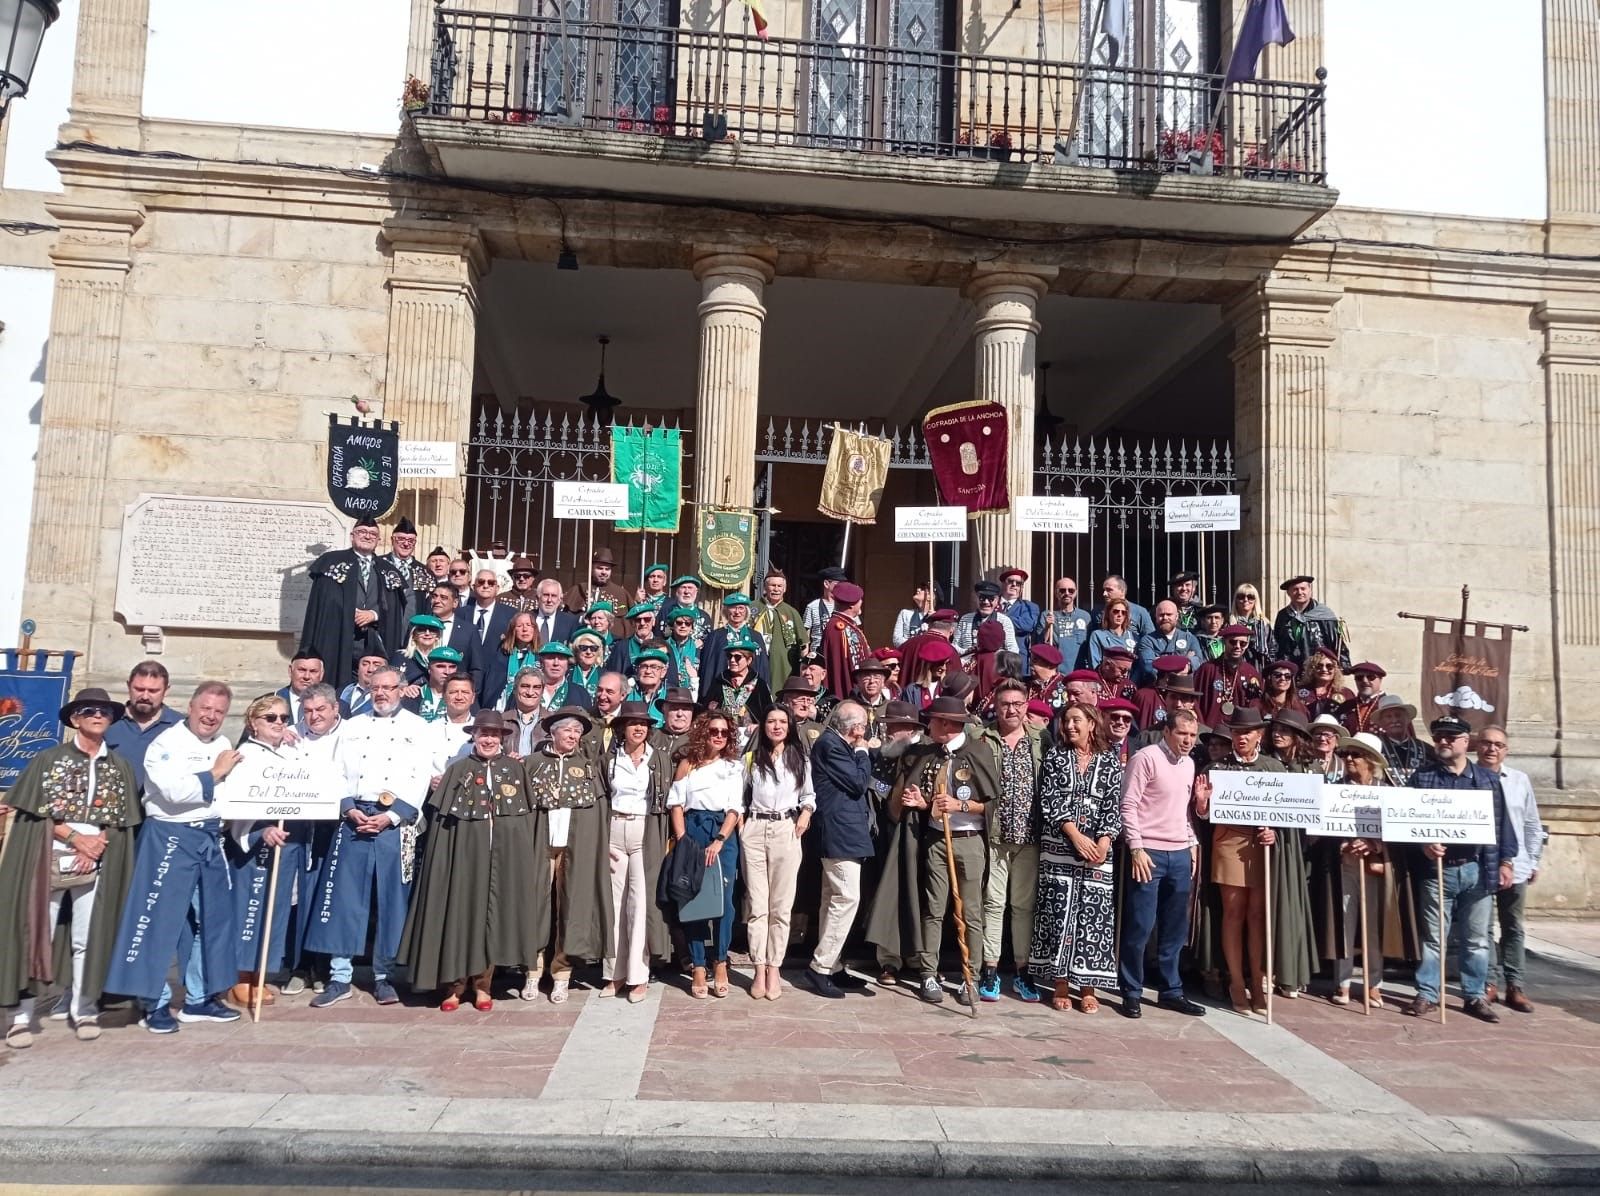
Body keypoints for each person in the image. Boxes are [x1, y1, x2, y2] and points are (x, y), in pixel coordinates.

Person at [0, 689, 141, 1048]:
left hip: (97, 859)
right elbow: (38, 811)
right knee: (36, 932)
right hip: (49, 854)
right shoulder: (49, 759)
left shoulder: (118, 765)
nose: (97, 716)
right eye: (89, 711)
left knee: (87, 936)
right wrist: (79, 839)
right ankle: (22, 1015)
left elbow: (121, 818)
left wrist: (97, 847)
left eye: (104, 712)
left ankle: (85, 1007)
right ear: (75, 718)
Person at [106, 682, 244, 1034]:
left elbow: (227, 793)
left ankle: (199, 998)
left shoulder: (224, 745)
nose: (211, 717)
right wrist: (216, 772)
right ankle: (154, 1000)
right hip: (170, 836)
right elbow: (173, 791)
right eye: (206, 709)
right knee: (159, 921)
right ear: (190, 706)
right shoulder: (166, 743)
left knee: (210, 922)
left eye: (219, 712)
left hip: (209, 836)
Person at [305, 668, 432, 1009]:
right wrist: (347, 806)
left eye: (389, 688)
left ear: (401, 690)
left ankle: (383, 977)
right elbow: (336, 771)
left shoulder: (418, 729)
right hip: (354, 817)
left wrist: (390, 816)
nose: (382, 694)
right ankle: (340, 976)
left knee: (391, 901)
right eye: (376, 688)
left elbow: (419, 777)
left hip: (393, 821)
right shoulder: (353, 726)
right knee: (345, 899)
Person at [399, 709, 543, 1011]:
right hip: (465, 858)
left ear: (503, 738)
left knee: (492, 920)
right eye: (483, 734)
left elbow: (523, 821)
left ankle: (483, 984)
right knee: (461, 916)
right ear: (474, 737)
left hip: (502, 859)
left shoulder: (515, 770)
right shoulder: (458, 768)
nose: (488, 739)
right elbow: (443, 826)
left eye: (494, 734)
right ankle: (455, 986)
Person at [1194, 707, 1315, 1016]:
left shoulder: (1274, 767)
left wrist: (1274, 832)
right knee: (1233, 912)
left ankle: (1258, 979)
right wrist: (1202, 804)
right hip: (1229, 842)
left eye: (1247, 731)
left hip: (1262, 846)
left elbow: (1288, 813)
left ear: (1259, 734)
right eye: (1236, 731)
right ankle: (1235, 981)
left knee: (1258, 915)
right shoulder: (1216, 767)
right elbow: (1203, 818)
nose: (1241, 736)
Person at [1406, 714, 1518, 1023]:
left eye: (1450, 736)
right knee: (1433, 937)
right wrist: (1423, 844)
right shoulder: (1422, 777)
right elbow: (1407, 823)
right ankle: (1427, 993)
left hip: (1477, 869)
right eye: (1439, 735)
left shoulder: (1487, 780)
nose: (1443, 741)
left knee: (1477, 939)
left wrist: (1507, 861)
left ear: (1465, 743)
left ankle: (1475, 995)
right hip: (1437, 870)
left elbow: (1502, 825)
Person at [891, 695, 996, 1008]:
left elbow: (990, 802)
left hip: (970, 840)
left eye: (934, 721)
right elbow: (925, 794)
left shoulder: (978, 751)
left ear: (948, 725)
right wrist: (923, 804)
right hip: (937, 840)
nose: (929, 726)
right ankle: (928, 972)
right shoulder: (930, 754)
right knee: (933, 909)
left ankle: (970, 977)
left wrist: (960, 805)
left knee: (971, 912)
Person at [1030, 702, 1123, 1014]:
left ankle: (1087, 985)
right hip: (1060, 846)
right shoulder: (1056, 757)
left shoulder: (1109, 761)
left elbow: (1113, 805)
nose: (1070, 726)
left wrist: (1104, 840)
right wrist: (1075, 835)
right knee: (1059, 912)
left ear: (1091, 724)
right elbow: (1050, 800)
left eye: (1076, 721)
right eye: (1066, 721)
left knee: (1092, 916)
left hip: (1098, 852)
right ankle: (1059, 982)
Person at [226, 693, 313, 1009]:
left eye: (284, 718)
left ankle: (260, 973)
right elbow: (234, 804)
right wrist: (258, 831)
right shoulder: (245, 755)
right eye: (271, 718)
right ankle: (240, 976)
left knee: (275, 910)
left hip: (288, 839)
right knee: (250, 906)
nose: (279, 723)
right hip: (256, 841)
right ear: (253, 723)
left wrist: (296, 742)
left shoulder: (290, 752)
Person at [1118, 709, 1206, 1020]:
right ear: (1167, 731)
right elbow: (1128, 804)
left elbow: (1182, 810)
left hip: (1179, 852)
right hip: (1149, 851)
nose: (1188, 740)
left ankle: (1172, 990)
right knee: (1140, 924)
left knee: (1174, 927)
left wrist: (1192, 842)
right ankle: (1131, 990)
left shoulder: (1190, 764)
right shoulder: (1146, 757)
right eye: (1183, 733)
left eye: (1193, 735)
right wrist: (1136, 847)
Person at [524, 706, 612, 1004]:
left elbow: (598, 812)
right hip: (540, 844)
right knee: (535, 903)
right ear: (552, 732)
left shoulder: (587, 767)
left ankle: (562, 973)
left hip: (573, 845)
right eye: (567, 730)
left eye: (577, 731)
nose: (573, 736)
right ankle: (532, 970)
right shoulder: (532, 763)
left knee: (571, 905)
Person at [1308, 731, 1394, 1008]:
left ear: (1370, 760)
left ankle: (1374, 984)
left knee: (1373, 928)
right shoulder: (1337, 788)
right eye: (1346, 755)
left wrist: (1375, 845)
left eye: (1355, 755)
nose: (1349, 759)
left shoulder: (1387, 791)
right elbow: (1324, 826)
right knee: (1345, 924)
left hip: (1374, 868)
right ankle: (1342, 982)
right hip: (1344, 866)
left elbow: (1398, 830)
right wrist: (1342, 842)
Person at [667, 711, 744, 999]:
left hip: (722, 833)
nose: (719, 736)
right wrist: (683, 839)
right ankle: (698, 966)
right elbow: (675, 803)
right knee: (694, 902)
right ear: (704, 732)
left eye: (724, 732)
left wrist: (721, 839)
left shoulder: (734, 766)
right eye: (714, 730)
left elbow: (735, 808)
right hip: (693, 830)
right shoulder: (688, 764)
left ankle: (720, 961)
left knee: (724, 903)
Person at [975, 679, 1043, 1003]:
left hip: (1029, 837)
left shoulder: (1040, 740)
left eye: (1017, 704)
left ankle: (1022, 970)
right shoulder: (984, 738)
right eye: (1005, 704)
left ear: (1026, 706)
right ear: (996, 706)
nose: (1011, 709)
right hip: (997, 836)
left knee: (1023, 906)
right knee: (993, 902)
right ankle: (989, 968)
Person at [741, 706, 815, 999]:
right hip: (756, 828)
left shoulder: (800, 759)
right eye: (771, 721)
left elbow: (808, 795)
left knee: (781, 906)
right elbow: (739, 795)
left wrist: (805, 814)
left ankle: (775, 967)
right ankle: (759, 967)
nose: (776, 726)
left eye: (782, 721)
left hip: (786, 827)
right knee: (758, 905)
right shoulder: (751, 759)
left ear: (790, 726)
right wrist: (742, 825)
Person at [602, 702, 674, 1002]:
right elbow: (603, 797)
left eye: (643, 723)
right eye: (632, 723)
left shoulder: (658, 759)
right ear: (622, 727)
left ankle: (638, 975)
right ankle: (614, 974)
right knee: (615, 904)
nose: (639, 728)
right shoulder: (609, 760)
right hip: (615, 828)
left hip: (645, 830)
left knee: (640, 903)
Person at [802, 701, 874, 1000]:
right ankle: (820, 967)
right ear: (855, 728)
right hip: (839, 832)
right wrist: (862, 752)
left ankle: (832, 965)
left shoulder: (834, 743)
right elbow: (858, 783)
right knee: (846, 897)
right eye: (863, 726)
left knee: (833, 898)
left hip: (843, 832)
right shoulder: (831, 745)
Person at [299, 517, 408, 691]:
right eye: (362, 532)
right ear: (352, 536)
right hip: (337, 638)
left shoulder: (388, 570)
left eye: (373, 534)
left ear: (379, 540)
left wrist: (374, 614)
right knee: (334, 688)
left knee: (373, 687)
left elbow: (395, 608)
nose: (367, 536)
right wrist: (349, 611)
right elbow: (324, 602)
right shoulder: (331, 562)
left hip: (373, 642)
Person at [1477, 726, 1541, 1012]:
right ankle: (1489, 982)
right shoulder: (1469, 777)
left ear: (1506, 750)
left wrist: (1534, 860)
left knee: (1512, 925)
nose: (1492, 749)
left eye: (1498, 745)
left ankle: (1515, 984)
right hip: (1480, 862)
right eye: (1487, 743)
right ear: (1477, 746)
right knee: (1483, 927)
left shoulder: (1519, 780)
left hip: (1517, 864)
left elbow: (1530, 823)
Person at [104, 660, 183, 792]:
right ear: (128, 686)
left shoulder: (180, 726)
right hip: (115, 807)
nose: (145, 696)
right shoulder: (108, 722)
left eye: (153, 691)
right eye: (139, 689)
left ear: (166, 690)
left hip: (161, 810)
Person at [1273, 575, 1350, 670]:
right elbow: (1276, 643)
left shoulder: (1325, 615)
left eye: (1303, 589)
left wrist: (1343, 666)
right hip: (1290, 671)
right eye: (1295, 589)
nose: (1300, 592)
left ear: (1310, 590)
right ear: (1288, 593)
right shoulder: (1283, 616)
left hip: (1318, 670)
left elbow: (1337, 644)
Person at [1194, 624, 1264, 728]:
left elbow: (1256, 705)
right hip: (1210, 734)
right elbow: (1194, 702)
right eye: (1233, 642)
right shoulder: (1207, 669)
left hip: (1239, 733)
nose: (1238, 646)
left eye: (1243, 643)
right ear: (1224, 642)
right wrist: (1202, 729)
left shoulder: (1251, 672)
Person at [700, 593, 771, 695]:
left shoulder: (756, 637)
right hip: (721, 691)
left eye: (741, 608)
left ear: (746, 611)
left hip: (751, 693)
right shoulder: (715, 636)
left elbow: (763, 668)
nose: (737, 612)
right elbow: (708, 669)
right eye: (733, 608)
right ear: (726, 610)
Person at [752, 569, 806, 692]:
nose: (776, 589)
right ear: (765, 587)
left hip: (783, 667)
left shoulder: (792, 612)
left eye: (779, 586)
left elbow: (804, 644)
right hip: (756, 660)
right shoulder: (752, 607)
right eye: (773, 585)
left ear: (785, 589)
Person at [819, 582, 871, 701]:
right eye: (860, 600)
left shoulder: (847, 625)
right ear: (852, 605)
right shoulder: (838, 628)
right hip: (847, 693)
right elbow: (843, 666)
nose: (862, 602)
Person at [482, 610, 539, 710]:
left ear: (534, 629)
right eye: (520, 626)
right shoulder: (501, 655)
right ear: (513, 630)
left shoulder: (540, 657)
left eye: (529, 625)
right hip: (502, 707)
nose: (524, 629)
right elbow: (492, 685)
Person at [465, 569, 515, 683]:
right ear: (473, 586)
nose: (486, 586)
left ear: (497, 588)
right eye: (481, 582)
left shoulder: (511, 615)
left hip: (496, 678)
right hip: (465, 677)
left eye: (491, 583)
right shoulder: (460, 613)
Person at [1135, 601, 1203, 685]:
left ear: (1176, 616)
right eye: (1161, 615)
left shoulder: (1189, 638)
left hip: (1184, 687)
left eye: (1169, 614)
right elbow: (1148, 666)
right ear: (1156, 617)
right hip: (1157, 687)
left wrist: (1160, 660)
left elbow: (1198, 661)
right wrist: (1184, 660)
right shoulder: (1147, 641)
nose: (1165, 618)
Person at [953, 580, 1019, 664]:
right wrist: (967, 651)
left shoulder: (1004, 621)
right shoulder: (965, 619)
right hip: (969, 668)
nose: (986, 602)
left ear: (997, 600)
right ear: (975, 598)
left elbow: (1013, 650)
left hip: (994, 668)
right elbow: (955, 646)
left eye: (991, 599)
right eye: (982, 598)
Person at [1374, 694, 1433, 783]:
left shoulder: (1426, 750)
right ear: (1381, 723)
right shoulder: (1375, 749)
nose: (1394, 720)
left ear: (1408, 719)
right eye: (1388, 717)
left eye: (1398, 715)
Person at [564, 547, 631, 614]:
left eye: (607, 569)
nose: (604, 572)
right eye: (600, 568)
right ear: (592, 569)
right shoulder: (578, 589)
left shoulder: (621, 593)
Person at [531, 641, 593, 712]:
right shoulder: (527, 689)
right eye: (551, 658)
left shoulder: (581, 693)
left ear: (567, 664)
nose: (556, 663)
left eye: (561, 658)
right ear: (541, 662)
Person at [405, 646, 462, 722]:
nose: (447, 672)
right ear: (429, 669)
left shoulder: (463, 698)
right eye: (441, 666)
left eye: (452, 667)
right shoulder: (413, 695)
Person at [606, 602, 663, 677]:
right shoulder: (621, 647)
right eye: (638, 620)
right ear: (632, 623)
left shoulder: (663, 647)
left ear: (653, 622)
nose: (642, 623)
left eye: (647, 619)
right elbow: (612, 677)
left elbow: (669, 680)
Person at [997, 567, 1041, 660]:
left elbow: (1026, 625)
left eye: (1018, 583)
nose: (1014, 585)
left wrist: (998, 618)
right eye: (1010, 581)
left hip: (1018, 659)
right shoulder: (990, 604)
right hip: (994, 659)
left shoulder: (1030, 607)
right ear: (1003, 583)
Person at [1295, 648, 1351, 720]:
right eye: (1319, 666)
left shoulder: (1346, 693)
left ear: (1336, 670)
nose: (1324, 670)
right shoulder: (1298, 691)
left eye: (1329, 666)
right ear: (1312, 669)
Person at [1230, 583, 1276, 669]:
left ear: (1256, 600)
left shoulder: (1264, 624)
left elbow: (1272, 649)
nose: (1245, 600)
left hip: (1259, 667)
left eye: (1250, 597)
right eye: (1241, 596)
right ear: (1236, 600)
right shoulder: (1229, 623)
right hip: (1235, 667)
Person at [1334, 662, 1388, 735]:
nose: (1365, 681)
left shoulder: (1389, 706)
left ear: (1380, 680)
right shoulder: (1346, 707)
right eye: (1359, 677)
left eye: (1371, 677)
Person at [662, 606, 704, 698]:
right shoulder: (662, 647)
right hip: (667, 694)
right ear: (673, 626)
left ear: (692, 628)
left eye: (688, 623)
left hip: (691, 695)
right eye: (679, 623)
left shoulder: (700, 648)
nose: (683, 626)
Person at [804, 566, 847, 652]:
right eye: (837, 584)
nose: (841, 587)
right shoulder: (812, 606)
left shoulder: (847, 605)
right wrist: (804, 660)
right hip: (818, 656)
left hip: (840, 654)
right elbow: (805, 637)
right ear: (826, 584)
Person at [1088, 598, 1138, 669]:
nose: (1119, 615)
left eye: (1123, 612)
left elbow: (1138, 664)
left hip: (1130, 678)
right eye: (1116, 611)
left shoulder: (1134, 637)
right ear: (1108, 613)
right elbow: (1095, 663)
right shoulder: (1098, 635)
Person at [276, 650, 325, 724]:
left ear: (321, 674)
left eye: (313, 671)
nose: (306, 676)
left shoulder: (337, 706)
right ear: (290, 671)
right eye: (302, 670)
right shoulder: (267, 703)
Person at [529, 578, 579, 647]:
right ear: (538, 597)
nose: (549, 600)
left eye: (554, 596)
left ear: (559, 600)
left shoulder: (570, 622)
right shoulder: (527, 618)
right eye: (546, 595)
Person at [342, 649, 388, 718]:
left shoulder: (389, 698)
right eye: (365, 664)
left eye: (377, 665)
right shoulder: (342, 692)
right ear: (358, 668)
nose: (370, 669)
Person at [891, 582, 939, 648]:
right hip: (907, 655)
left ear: (930, 597)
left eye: (923, 589)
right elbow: (897, 640)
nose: (918, 589)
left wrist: (933, 623)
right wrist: (915, 646)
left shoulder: (937, 619)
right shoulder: (905, 614)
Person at [668, 576, 713, 643]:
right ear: (677, 591)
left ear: (696, 591)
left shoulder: (704, 616)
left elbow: (709, 641)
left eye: (690, 588)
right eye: (683, 587)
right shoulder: (666, 612)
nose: (686, 592)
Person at [570, 631, 607, 697]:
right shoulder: (567, 673)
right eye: (583, 648)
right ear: (576, 651)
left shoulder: (605, 675)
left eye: (594, 648)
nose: (588, 652)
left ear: (598, 652)